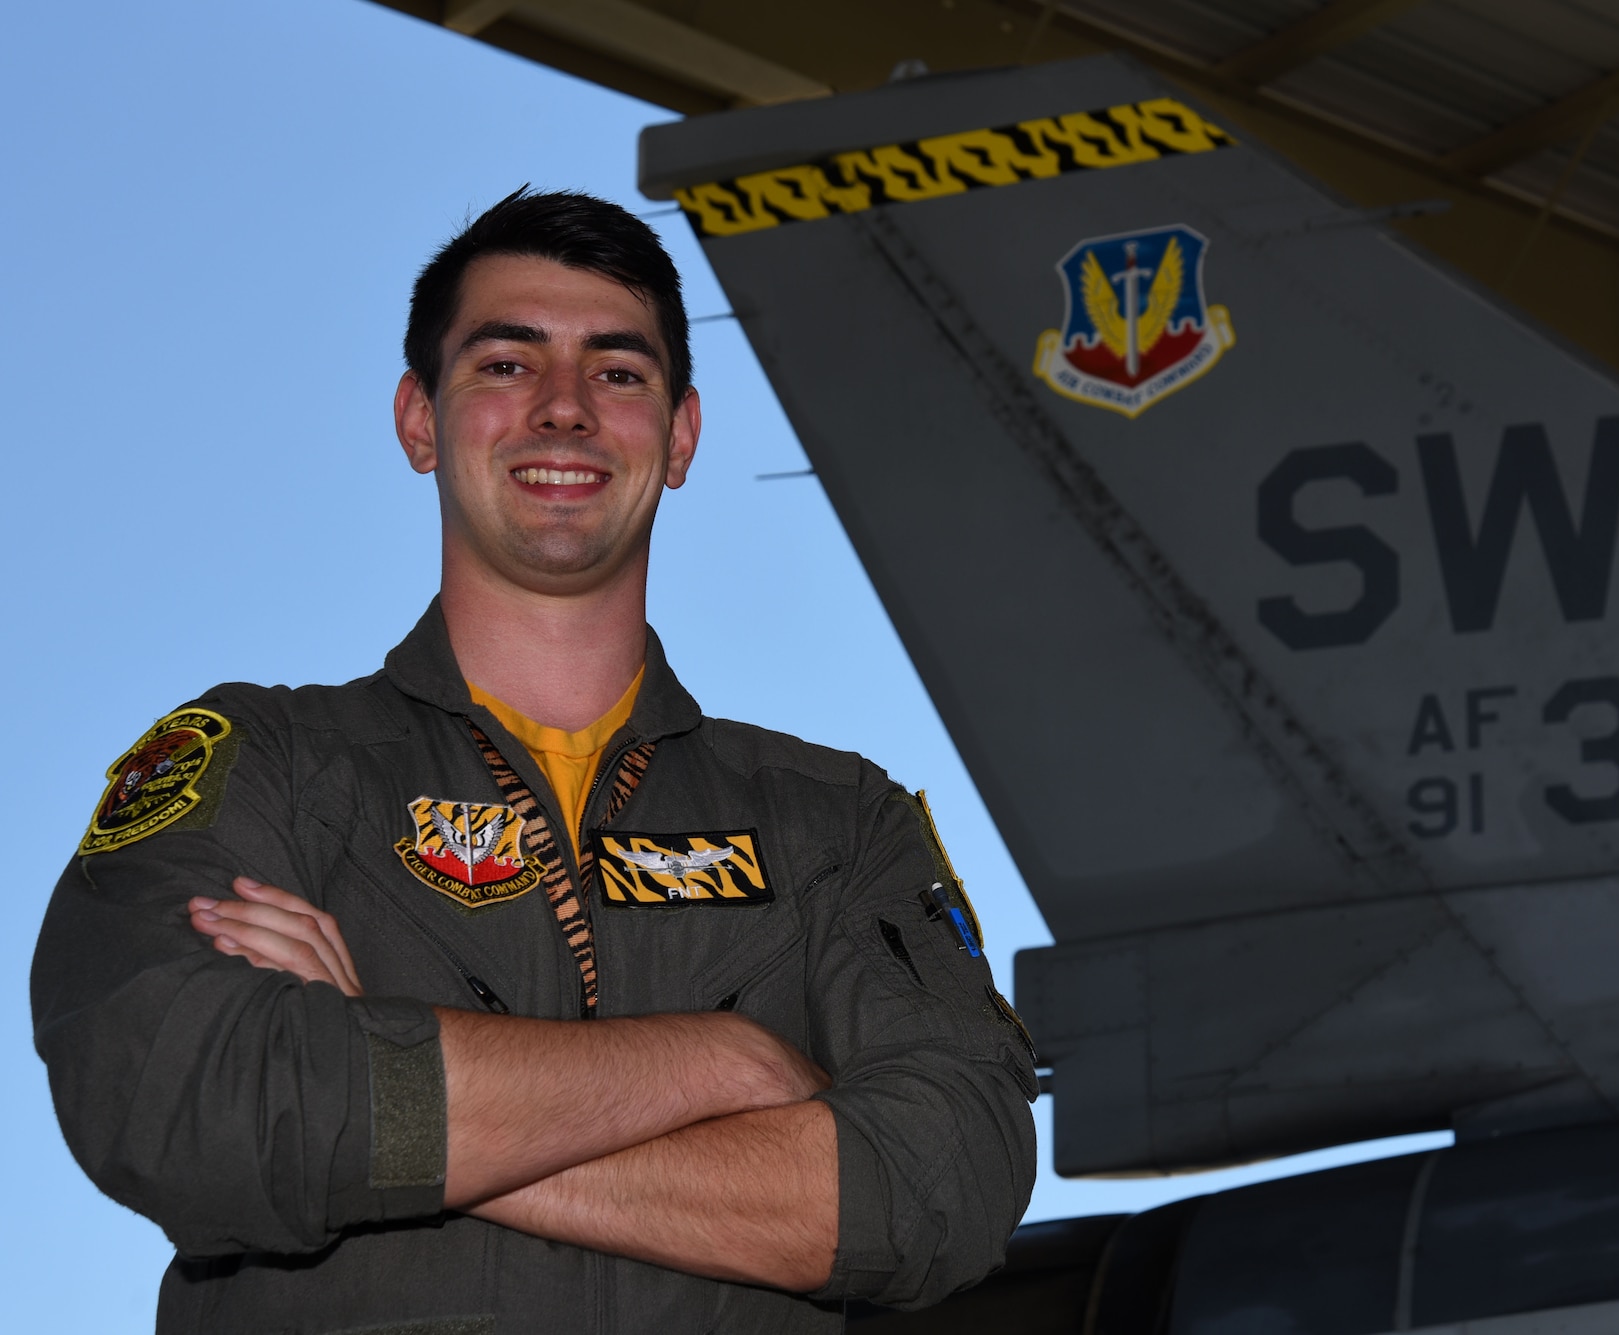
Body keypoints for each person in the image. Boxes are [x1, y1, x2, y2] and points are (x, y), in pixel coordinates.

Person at [31, 187, 1038, 1333]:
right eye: (505, 366)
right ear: (420, 421)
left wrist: (383, 1074)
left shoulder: (835, 821)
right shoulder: (266, 767)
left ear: (680, 436)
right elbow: (183, 1105)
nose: (563, 409)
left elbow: (940, 1187)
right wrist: (716, 1064)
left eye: (618, 373)